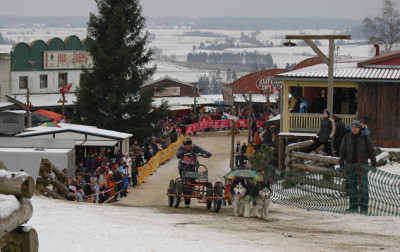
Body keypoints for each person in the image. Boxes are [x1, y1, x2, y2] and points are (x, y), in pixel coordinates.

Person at [339, 120, 376, 214]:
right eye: (352, 127)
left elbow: (371, 151)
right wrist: (341, 164)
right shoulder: (347, 137)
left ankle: (364, 208)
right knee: (352, 188)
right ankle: (353, 206)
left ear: (359, 128)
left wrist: (373, 164)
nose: (354, 129)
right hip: (351, 166)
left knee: (363, 188)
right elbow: (342, 151)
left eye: (356, 127)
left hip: (362, 167)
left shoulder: (365, 138)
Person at [176, 137, 212, 207]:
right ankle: (187, 200)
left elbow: (202, 151)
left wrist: (206, 153)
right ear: (184, 145)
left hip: (193, 166)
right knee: (185, 183)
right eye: (186, 146)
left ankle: (189, 195)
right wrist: (181, 153)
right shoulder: (181, 148)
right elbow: (177, 155)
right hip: (183, 167)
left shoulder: (195, 147)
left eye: (189, 146)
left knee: (192, 182)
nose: (188, 147)